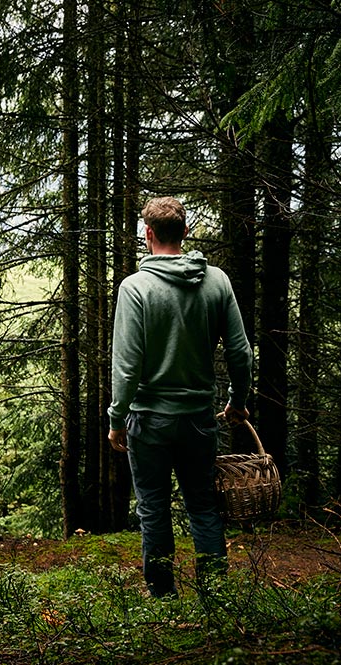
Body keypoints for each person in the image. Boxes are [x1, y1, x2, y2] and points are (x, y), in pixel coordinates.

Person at [107, 196, 252, 599]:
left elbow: (127, 365)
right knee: (203, 508)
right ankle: (214, 596)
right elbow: (241, 352)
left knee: (153, 510)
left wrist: (117, 419)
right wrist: (238, 402)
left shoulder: (135, 288)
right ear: (185, 233)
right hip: (198, 419)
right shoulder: (217, 281)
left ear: (148, 234)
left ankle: (163, 598)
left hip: (149, 420)